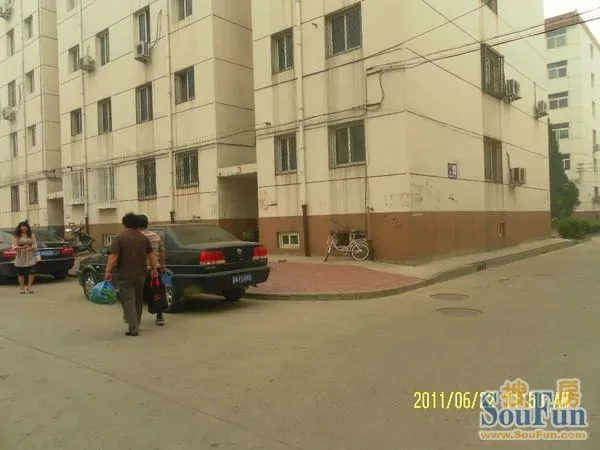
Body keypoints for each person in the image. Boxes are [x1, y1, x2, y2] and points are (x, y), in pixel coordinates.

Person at [104, 213, 159, 337]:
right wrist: (153, 269)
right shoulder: (143, 238)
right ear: (137, 225)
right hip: (141, 274)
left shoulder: (120, 238)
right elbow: (151, 256)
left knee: (128, 300)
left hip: (125, 274)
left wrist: (108, 270)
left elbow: (114, 256)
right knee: (138, 300)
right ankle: (136, 323)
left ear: (124, 224)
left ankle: (133, 328)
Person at [138, 214, 167, 326]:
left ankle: (136, 318)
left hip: (141, 270)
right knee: (157, 292)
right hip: (155, 269)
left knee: (138, 294)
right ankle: (160, 317)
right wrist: (162, 264)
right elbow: (162, 251)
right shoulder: (156, 236)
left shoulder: (137, 237)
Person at [12, 220, 38, 294]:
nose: (24, 228)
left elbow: (35, 245)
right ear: (20, 227)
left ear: (27, 227)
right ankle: (22, 288)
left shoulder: (31, 235)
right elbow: (14, 246)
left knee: (32, 272)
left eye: (26, 226)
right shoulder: (17, 236)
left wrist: (31, 248)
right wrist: (22, 247)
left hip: (30, 255)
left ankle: (29, 287)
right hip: (21, 256)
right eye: (23, 226)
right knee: (21, 273)